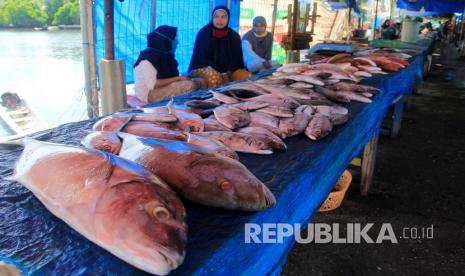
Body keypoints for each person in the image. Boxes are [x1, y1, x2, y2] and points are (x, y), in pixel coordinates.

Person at [133, 25, 204, 104]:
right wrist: (177, 78)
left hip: (164, 86)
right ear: (165, 41)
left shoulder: (166, 55)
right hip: (149, 93)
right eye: (175, 39)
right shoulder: (147, 59)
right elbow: (152, 85)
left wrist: (181, 78)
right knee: (189, 85)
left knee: (201, 81)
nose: (177, 42)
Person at [188, 5, 249, 84]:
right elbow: (203, 59)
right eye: (216, 16)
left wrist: (229, 70)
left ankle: (233, 96)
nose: (219, 20)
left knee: (245, 77)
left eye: (223, 17)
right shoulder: (203, 33)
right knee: (214, 79)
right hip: (204, 68)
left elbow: (237, 58)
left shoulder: (234, 36)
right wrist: (222, 72)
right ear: (212, 18)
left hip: (229, 70)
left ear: (228, 19)